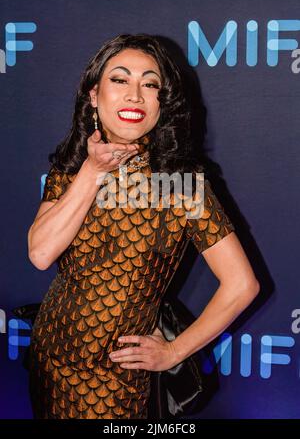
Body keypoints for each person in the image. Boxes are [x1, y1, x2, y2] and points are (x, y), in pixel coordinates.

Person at [27, 33, 260, 419]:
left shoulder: (182, 185)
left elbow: (242, 285)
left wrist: (173, 351)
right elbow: (40, 253)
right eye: (119, 80)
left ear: (161, 104)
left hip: (117, 380)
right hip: (50, 356)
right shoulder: (70, 170)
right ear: (94, 96)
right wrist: (93, 171)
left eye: (150, 84)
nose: (135, 94)